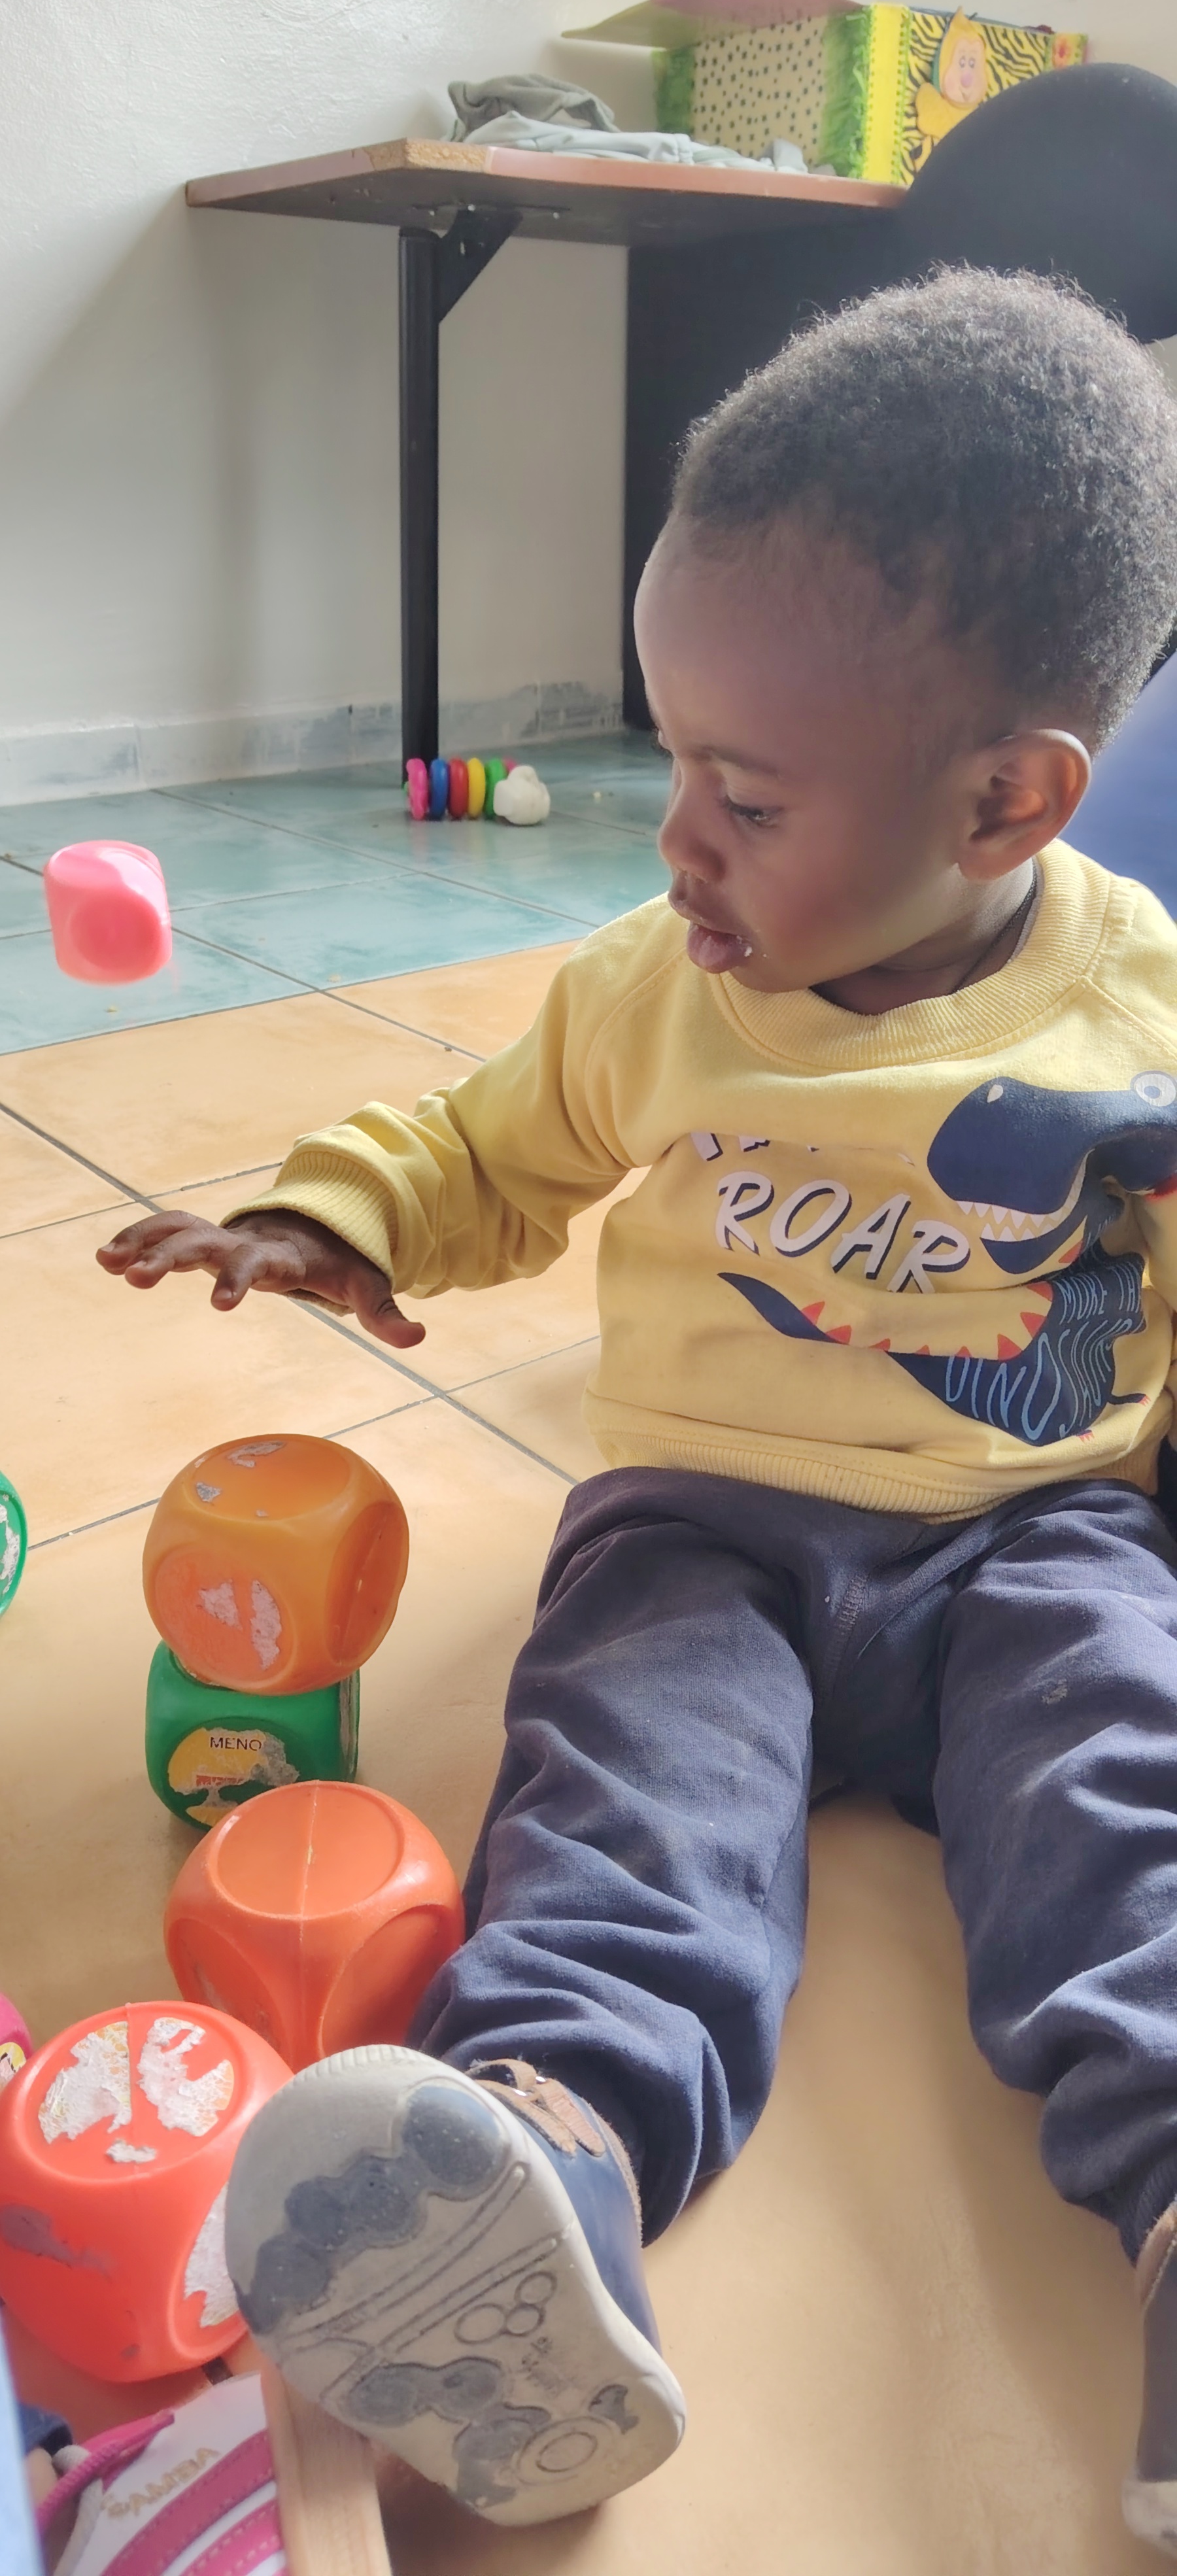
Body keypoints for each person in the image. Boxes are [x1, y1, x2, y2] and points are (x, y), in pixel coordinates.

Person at [99, 270, 1177, 2554]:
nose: (674, 838)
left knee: (1123, 1813)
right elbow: (484, 1144)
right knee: (620, 1813)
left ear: (1007, 798)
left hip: (1038, 1532)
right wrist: (331, 1214)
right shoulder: (655, 989)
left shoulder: (1143, 1018)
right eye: (669, 759)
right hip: (711, 1522)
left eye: (744, 795)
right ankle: (546, 2184)